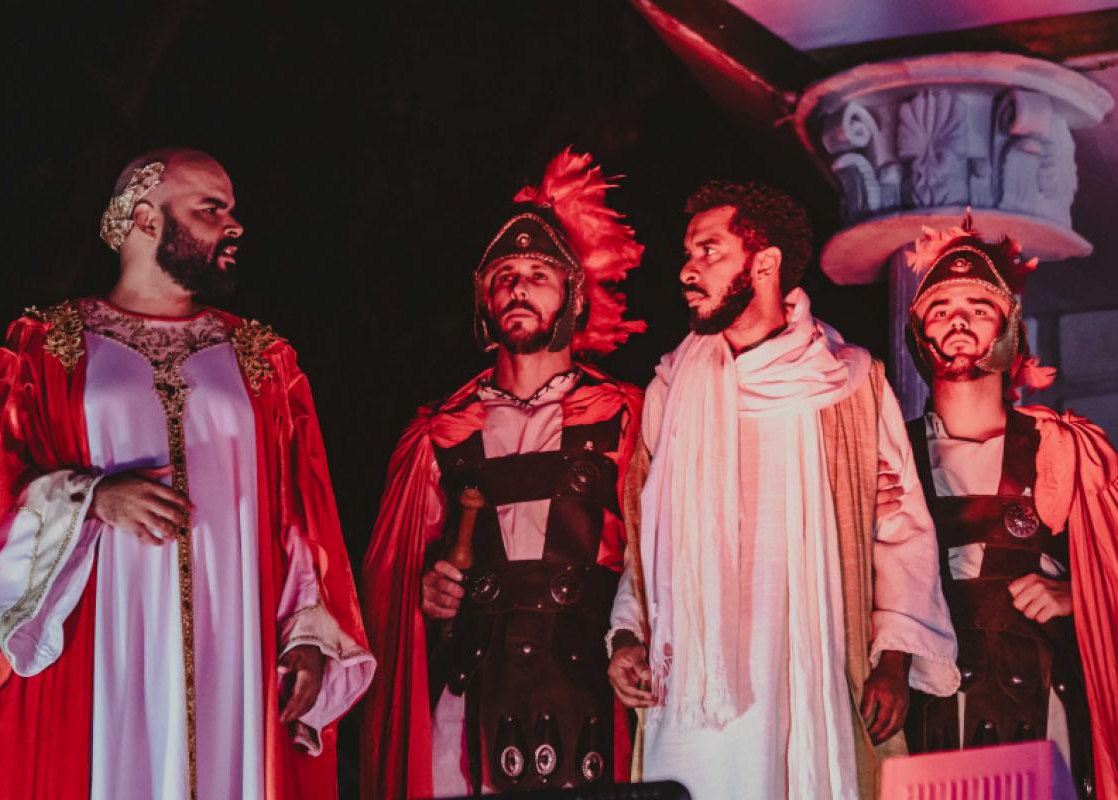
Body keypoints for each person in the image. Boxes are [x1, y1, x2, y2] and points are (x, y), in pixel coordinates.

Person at [0, 148, 375, 800]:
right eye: (211, 209)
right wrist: (90, 498)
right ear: (146, 220)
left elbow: (299, 514)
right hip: (101, 645)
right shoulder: (47, 349)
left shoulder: (264, 361)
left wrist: (306, 634)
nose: (234, 225)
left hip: (237, 649)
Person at [607, 181, 960, 799]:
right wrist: (629, 635)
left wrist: (893, 660)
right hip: (689, 689)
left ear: (764, 263)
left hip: (808, 671)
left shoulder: (847, 384)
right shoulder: (671, 387)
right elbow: (648, 538)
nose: (688, 270)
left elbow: (900, 528)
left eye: (708, 251)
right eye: (688, 254)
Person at [360, 149, 646, 797]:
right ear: (483, 300)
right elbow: (394, 584)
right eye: (505, 276)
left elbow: (662, 556)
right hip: (471, 694)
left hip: (594, 689)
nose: (519, 287)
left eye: (539, 275)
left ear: (573, 295)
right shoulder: (440, 432)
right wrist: (426, 593)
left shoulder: (626, 416)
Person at [899, 218, 1118, 799]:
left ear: (1009, 328)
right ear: (918, 332)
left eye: (978, 307)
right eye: (940, 308)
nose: (958, 320)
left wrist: (1078, 596)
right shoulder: (885, 453)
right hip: (925, 725)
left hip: (1045, 719)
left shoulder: (1065, 449)